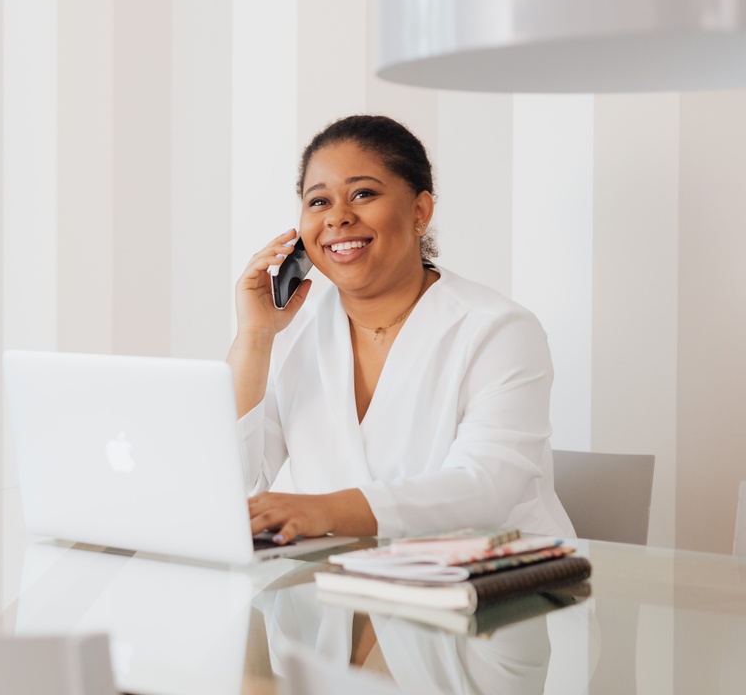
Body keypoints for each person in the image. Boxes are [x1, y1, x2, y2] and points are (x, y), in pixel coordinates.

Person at [230, 114, 574, 545]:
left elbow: (484, 490)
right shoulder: (293, 334)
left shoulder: (499, 330)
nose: (337, 217)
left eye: (363, 194)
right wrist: (254, 337)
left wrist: (324, 511)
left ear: (419, 211)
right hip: (345, 578)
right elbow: (233, 482)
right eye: (318, 202)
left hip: (498, 576)